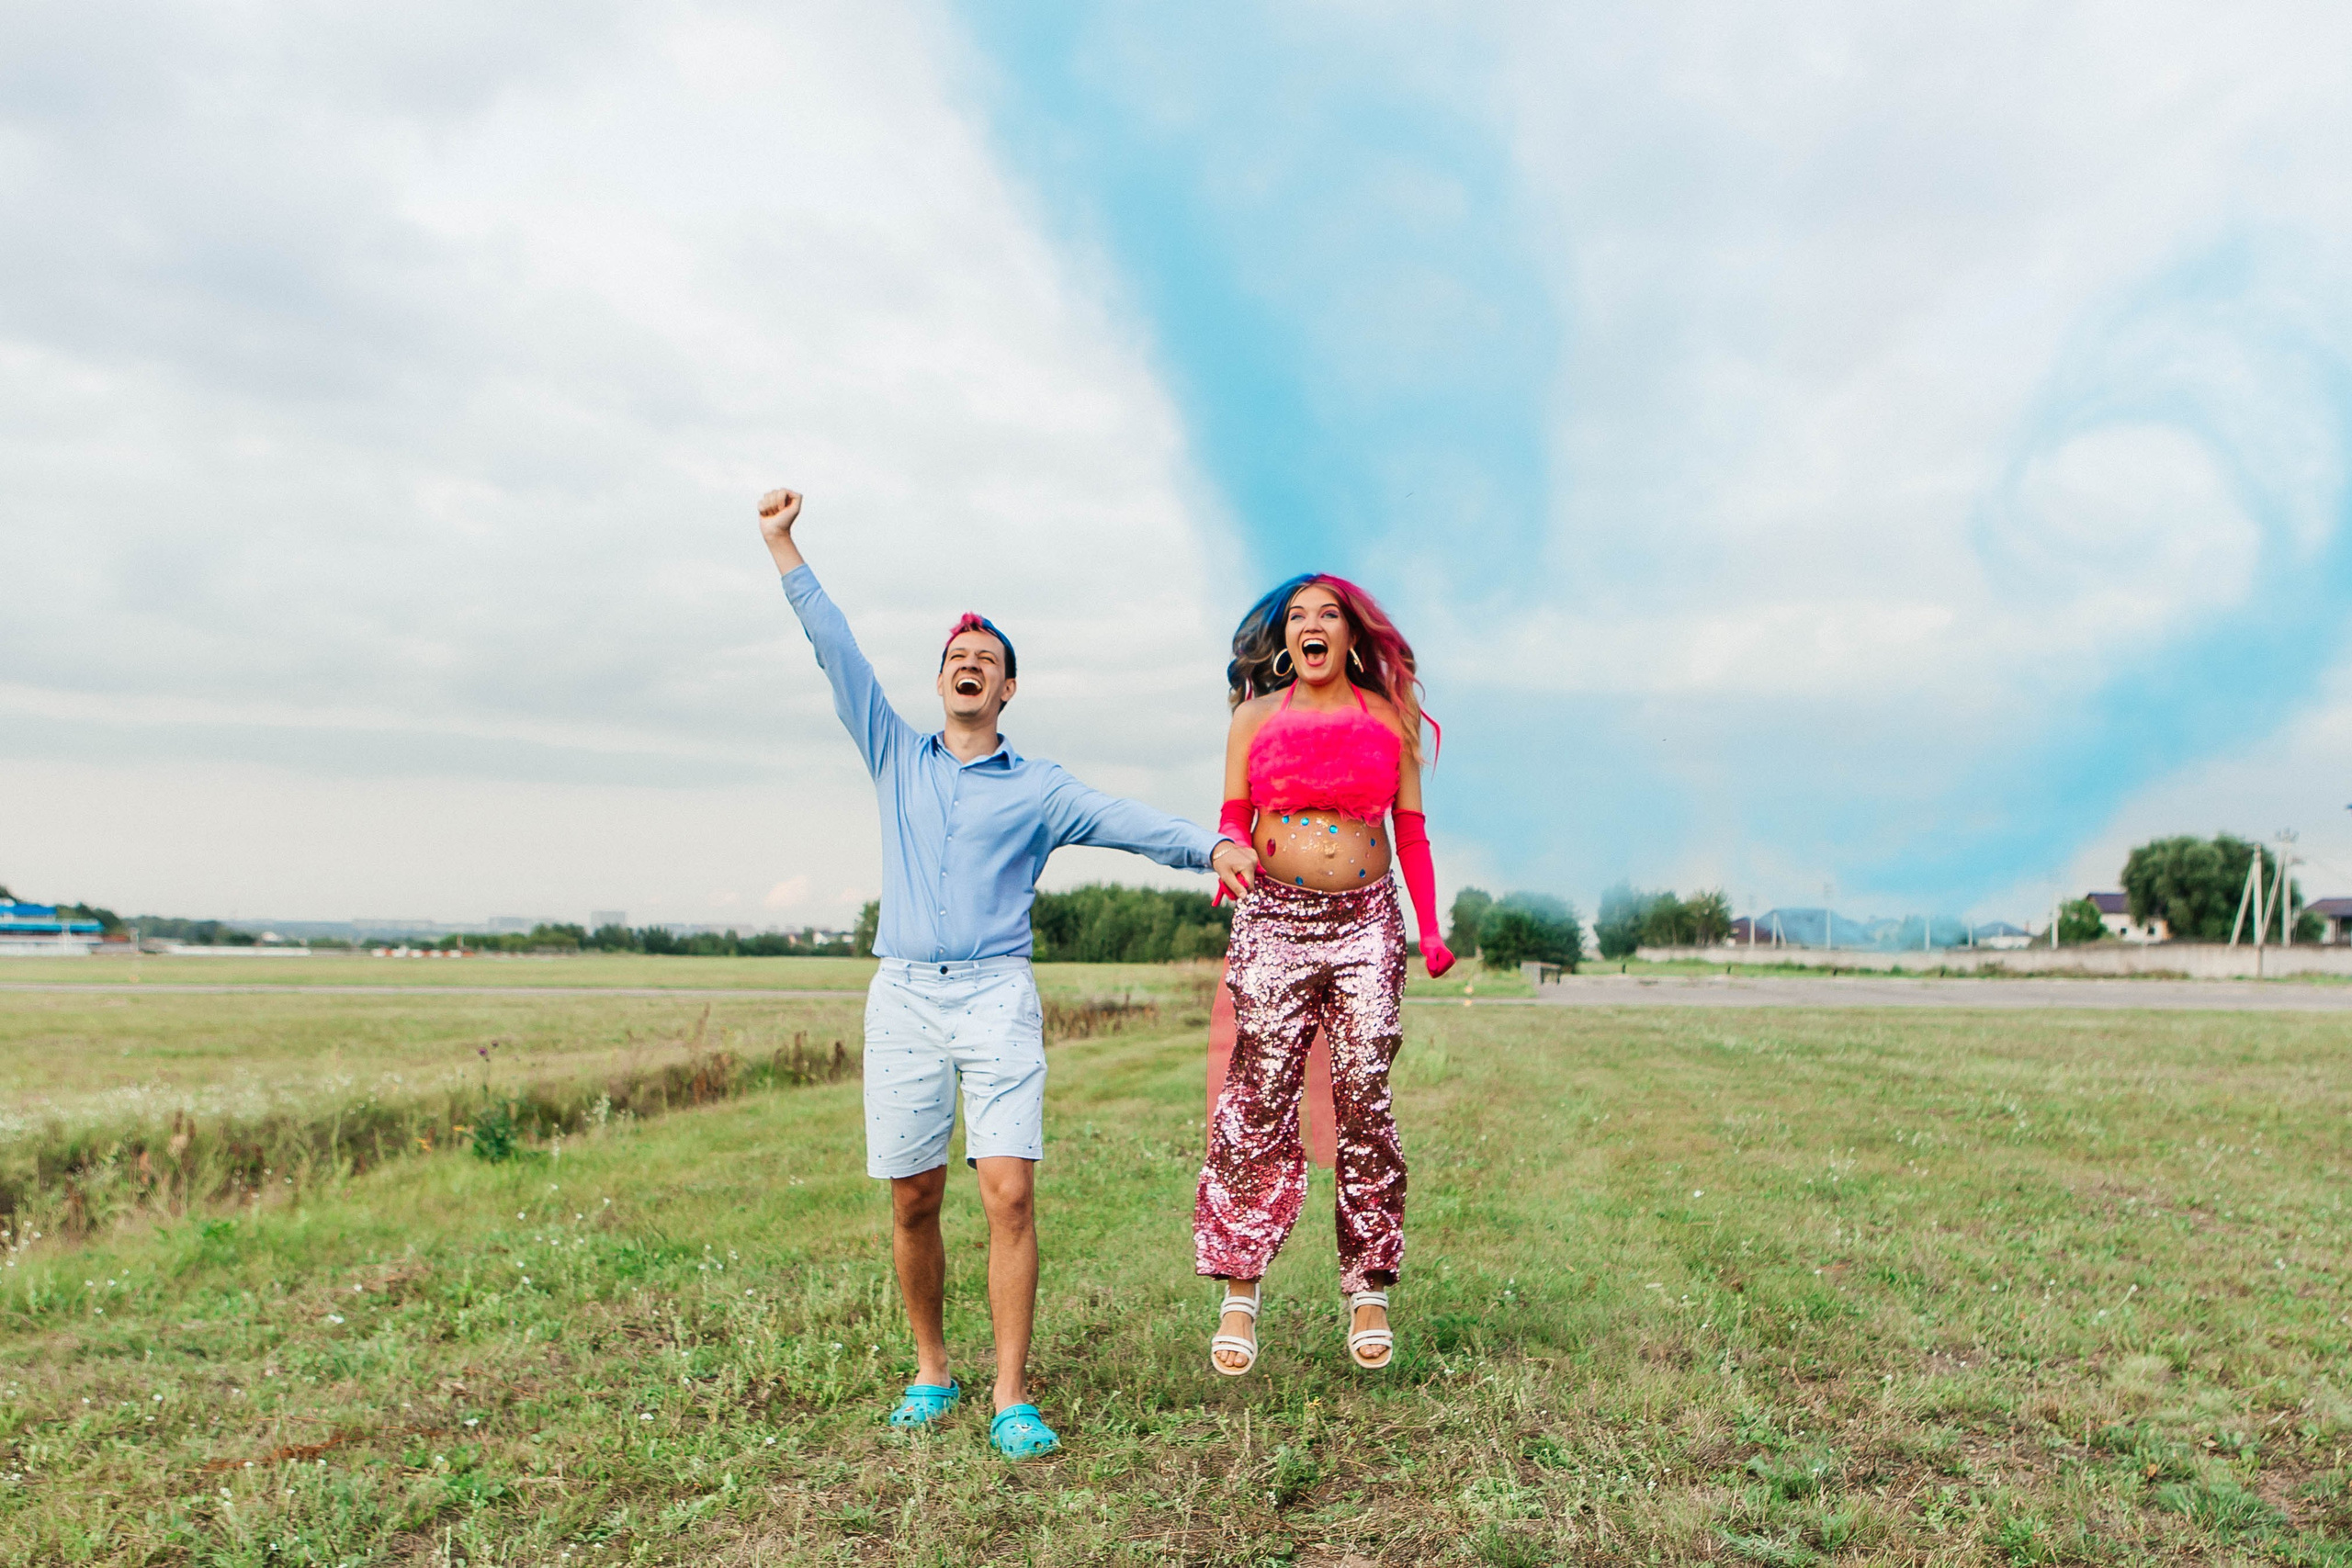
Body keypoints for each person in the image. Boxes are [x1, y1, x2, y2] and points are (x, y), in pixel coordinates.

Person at [757, 488, 1255, 1460]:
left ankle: (1010, 1396)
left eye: (986, 662)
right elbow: (835, 647)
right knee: (911, 1196)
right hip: (902, 991)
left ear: (1007, 690)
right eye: (956, 660)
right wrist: (784, 546)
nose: (969, 669)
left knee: (1008, 1193)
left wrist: (1213, 849)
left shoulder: (1038, 788)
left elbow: (1125, 819)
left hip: (993, 995)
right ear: (940, 682)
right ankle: (932, 1370)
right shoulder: (894, 755)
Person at [1193, 573, 1453, 1376]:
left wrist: (1432, 927)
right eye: (1296, 617)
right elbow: (1235, 812)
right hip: (1273, 917)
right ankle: (1242, 1288)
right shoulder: (1252, 719)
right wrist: (1230, 851)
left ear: (1349, 635)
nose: (1311, 626)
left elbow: (1410, 831)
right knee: (1258, 1093)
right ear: (1284, 641)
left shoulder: (1390, 718)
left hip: (1367, 920)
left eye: (1326, 615)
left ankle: (1368, 1284)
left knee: (1364, 1091)